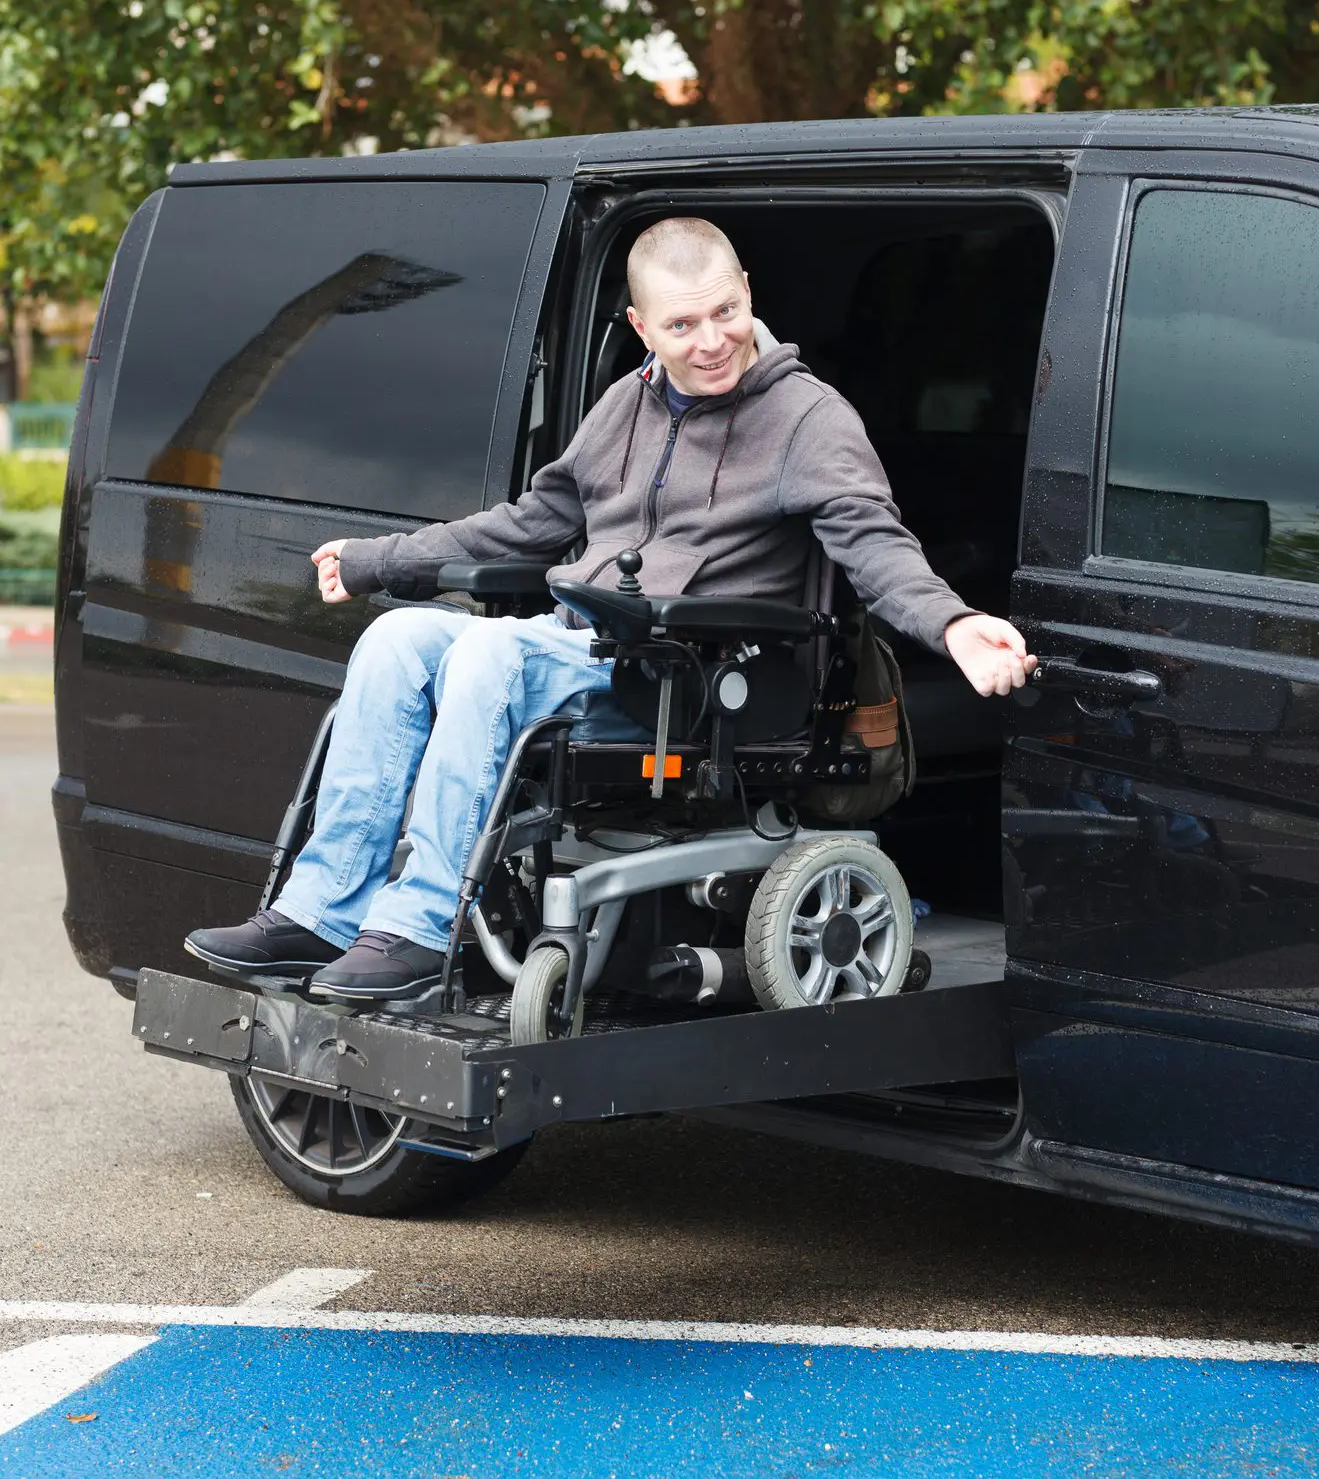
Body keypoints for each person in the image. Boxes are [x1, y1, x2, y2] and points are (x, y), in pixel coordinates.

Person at [187, 217, 1037, 1002]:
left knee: (492, 656)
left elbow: (875, 546)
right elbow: (531, 522)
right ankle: (321, 913)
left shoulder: (809, 419)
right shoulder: (626, 404)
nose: (711, 342)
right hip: (579, 649)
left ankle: (418, 928)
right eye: (681, 326)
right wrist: (380, 562)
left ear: (747, 289)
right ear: (640, 327)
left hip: (693, 684)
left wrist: (954, 624)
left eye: (726, 312)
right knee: (400, 639)